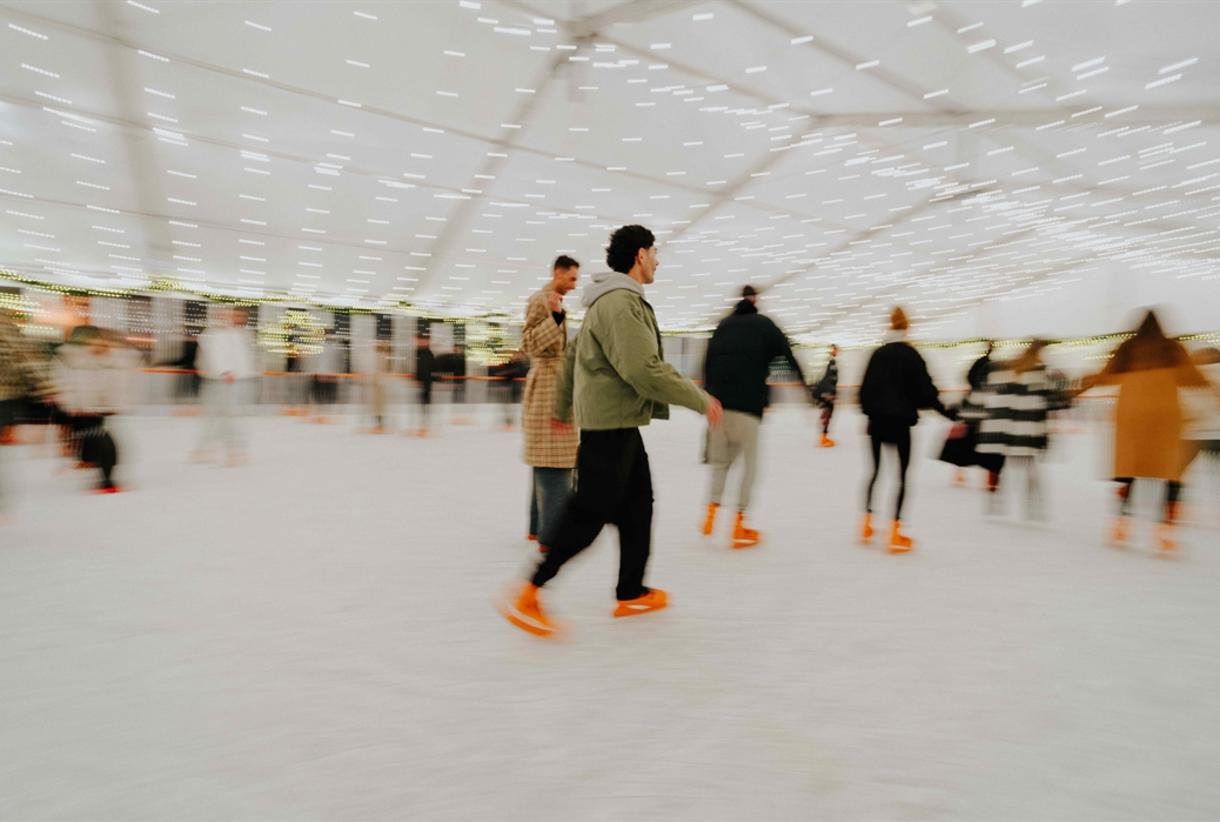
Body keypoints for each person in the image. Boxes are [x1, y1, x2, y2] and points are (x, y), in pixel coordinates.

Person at [501, 225, 723, 637]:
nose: (658, 260)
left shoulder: (606, 301)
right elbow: (642, 369)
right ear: (640, 255)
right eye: (655, 252)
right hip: (609, 426)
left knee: (639, 506)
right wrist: (697, 398)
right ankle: (529, 591)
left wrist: (563, 406)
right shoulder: (621, 303)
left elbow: (570, 360)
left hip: (619, 422)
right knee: (588, 515)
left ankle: (631, 591)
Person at [1079, 310, 1214, 550]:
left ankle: (1121, 523)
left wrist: (1078, 389)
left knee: (1131, 471)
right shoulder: (1172, 348)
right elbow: (1193, 377)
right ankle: (1166, 529)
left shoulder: (1128, 348)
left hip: (1132, 416)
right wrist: (1213, 389)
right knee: (1170, 471)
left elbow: (1105, 376)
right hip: (1165, 416)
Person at [700, 284, 811, 548]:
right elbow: (787, 355)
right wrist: (804, 388)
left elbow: (707, 363)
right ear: (756, 300)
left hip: (718, 407)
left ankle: (710, 514)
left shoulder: (723, 326)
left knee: (720, 462)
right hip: (748, 406)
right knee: (750, 465)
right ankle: (739, 523)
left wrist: (707, 398)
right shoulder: (764, 325)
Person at [857, 306, 954, 553]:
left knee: (875, 472)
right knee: (901, 476)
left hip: (877, 423)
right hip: (901, 424)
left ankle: (866, 523)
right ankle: (895, 531)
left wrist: (870, 411)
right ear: (907, 327)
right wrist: (947, 414)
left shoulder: (878, 354)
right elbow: (926, 392)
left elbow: (865, 391)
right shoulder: (912, 356)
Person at [521, 255, 580, 545]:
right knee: (554, 461)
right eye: (571, 278)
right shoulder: (540, 300)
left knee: (548, 457)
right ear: (557, 272)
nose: (574, 284)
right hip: (547, 387)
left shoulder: (554, 300)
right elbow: (529, 343)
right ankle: (552, 534)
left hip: (554, 383)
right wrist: (555, 318)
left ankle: (538, 528)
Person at [976, 340, 1055, 519]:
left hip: (1005, 430)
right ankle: (1032, 506)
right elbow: (1043, 406)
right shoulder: (1038, 373)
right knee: (1029, 468)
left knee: (1000, 466)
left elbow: (985, 381)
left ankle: (994, 502)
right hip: (1026, 432)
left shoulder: (1008, 369)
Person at [52, 325, 133, 493]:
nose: (98, 345)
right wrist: (72, 404)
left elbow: (114, 383)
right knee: (93, 436)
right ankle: (99, 471)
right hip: (80, 407)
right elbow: (62, 381)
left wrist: (113, 404)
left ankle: (106, 478)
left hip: (93, 407)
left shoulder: (108, 357)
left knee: (99, 437)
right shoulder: (69, 356)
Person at [192, 306, 258, 465]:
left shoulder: (239, 335)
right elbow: (216, 355)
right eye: (229, 315)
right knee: (219, 417)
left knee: (227, 417)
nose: (233, 318)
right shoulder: (214, 334)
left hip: (234, 381)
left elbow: (242, 357)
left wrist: (244, 372)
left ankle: (225, 449)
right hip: (219, 381)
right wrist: (224, 371)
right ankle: (219, 449)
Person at [812, 343, 839, 448]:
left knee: (828, 414)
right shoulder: (831, 364)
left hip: (829, 393)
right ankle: (823, 437)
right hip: (828, 393)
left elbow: (832, 380)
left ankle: (824, 436)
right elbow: (828, 379)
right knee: (827, 414)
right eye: (834, 349)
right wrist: (828, 394)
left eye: (836, 349)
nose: (836, 351)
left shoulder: (833, 363)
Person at [411, 333, 434, 437]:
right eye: (420, 340)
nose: (422, 342)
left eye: (424, 340)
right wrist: (415, 379)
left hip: (426, 383)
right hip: (418, 382)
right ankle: (419, 426)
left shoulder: (429, 353)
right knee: (418, 404)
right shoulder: (416, 352)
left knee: (425, 405)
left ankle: (424, 426)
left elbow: (432, 369)